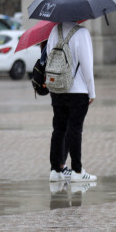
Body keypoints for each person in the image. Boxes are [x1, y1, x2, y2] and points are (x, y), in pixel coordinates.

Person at [48, 21, 97, 182]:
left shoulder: (55, 30)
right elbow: (87, 65)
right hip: (78, 90)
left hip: (57, 88)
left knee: (58, 129)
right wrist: (92, 91)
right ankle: (77, 171)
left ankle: (55, 170)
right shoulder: (82, 33)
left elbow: (49, 56)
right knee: (75, 130)